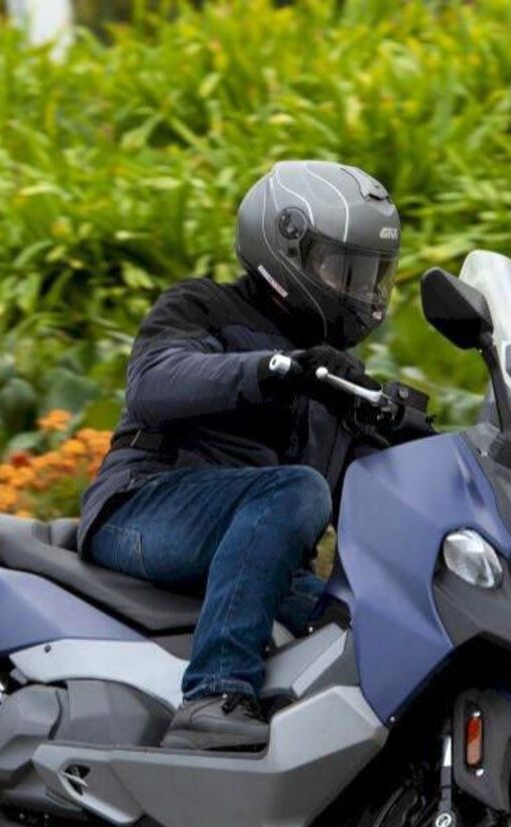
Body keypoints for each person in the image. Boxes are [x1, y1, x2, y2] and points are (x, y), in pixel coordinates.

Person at [78, 160, 408, 751]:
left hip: (247, 552)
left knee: (361, 625)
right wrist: (272, 370)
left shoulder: (330, 372)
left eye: (372, 275)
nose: (361, 292)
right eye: (343, 270)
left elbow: (378, 489)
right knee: (296, 488)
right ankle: (214, 695)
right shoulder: (202, 306)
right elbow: (153, 382)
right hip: (142, 508)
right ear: (286, 247)